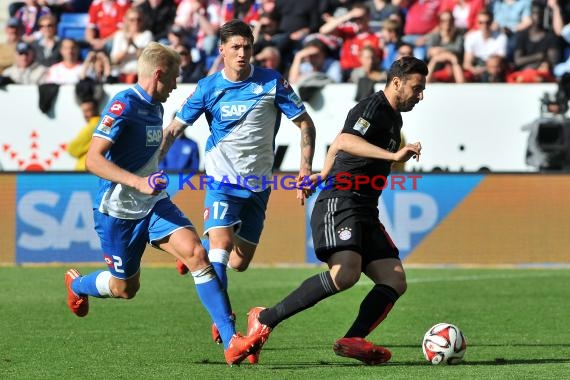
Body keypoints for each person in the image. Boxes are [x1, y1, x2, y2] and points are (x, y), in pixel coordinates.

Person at [64, 41, 262, 366]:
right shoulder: (123, 104)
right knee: (125, 288)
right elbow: (94, 161)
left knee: (198, 254)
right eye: (173, 78)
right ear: (158, 74)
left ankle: (231, 341)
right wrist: (139, 182)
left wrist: (152, 176)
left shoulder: (156, 108)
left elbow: (146, 154)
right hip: (117, 212)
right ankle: (79, 284)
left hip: (154, 204)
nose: (174, 85)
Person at [246, 56, 427, 365]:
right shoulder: (372, 108)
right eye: (417, 87)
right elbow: (344, 140)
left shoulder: (394, 118)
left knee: (394, 279)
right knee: (345, 274)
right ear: (397, 82)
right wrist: (392, 154)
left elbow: (336, 148)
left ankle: (353, 339)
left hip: (364, 207)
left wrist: (321, 174)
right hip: (342, 200)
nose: (420, 95)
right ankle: (265, 318)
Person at [165, 20, 316, 361]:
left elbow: (305, 122)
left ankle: (199, 253)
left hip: (259, 187)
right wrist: (154, 160)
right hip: (221, 182)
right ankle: (227, 325)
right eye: (235, 47)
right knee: (220, 247)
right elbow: (175, 127)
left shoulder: (271, 82)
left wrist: (305, 167)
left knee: (239, 261)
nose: (242, 53)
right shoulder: (207, 87)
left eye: (247, 47)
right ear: (222, 51)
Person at [66, 98, 101, 171]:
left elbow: (72, 149)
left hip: (85, 169)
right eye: (84, 111)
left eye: (88, 110)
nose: (85, 115)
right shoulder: (103, 124)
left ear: (96, 110)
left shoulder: (92, 127)